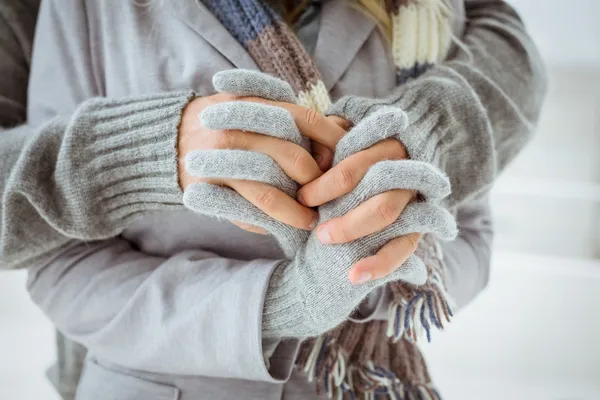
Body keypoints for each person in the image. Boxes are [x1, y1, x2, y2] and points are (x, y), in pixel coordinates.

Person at [0, 0, 546, 399]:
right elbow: (61, 264)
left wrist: (368, 277)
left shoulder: (427, 17)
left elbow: (468, 229)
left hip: (368, 386)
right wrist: (282, 303)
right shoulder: (90, 12)